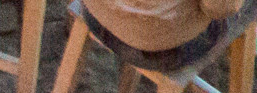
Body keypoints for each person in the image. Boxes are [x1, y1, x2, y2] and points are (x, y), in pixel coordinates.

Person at [82, 0, 246, 56]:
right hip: (162, 47)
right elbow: (220, 10)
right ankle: (248, 36)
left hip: (94, 11)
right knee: (234, 8)